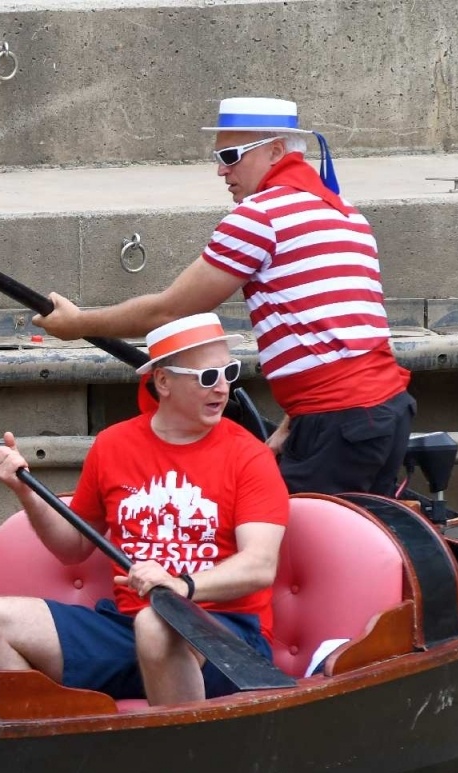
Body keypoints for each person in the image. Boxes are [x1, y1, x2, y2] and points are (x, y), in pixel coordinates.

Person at [33, 97, 414, 495]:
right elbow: (339, 334)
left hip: (340, 420)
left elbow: (169, 311)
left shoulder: (259, 216)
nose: (221, 170)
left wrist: (78, 325)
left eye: (231, 156)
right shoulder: (345, 212)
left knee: (276, 528)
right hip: (385, 409)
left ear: (276, 151)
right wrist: (295, 420)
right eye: (218, 157)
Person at [0, 314, 288, 705]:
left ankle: (179, 744)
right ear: (163, 381)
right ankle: (47, 739)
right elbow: (72, 547)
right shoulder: (113, 445)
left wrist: (181, 584)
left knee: (157, 623)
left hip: (227, 638)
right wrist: (24, 490)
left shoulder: (250, 456)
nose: (222, 387)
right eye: (207, 377)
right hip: (129, 627)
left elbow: (259, 566)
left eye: (229, 372)